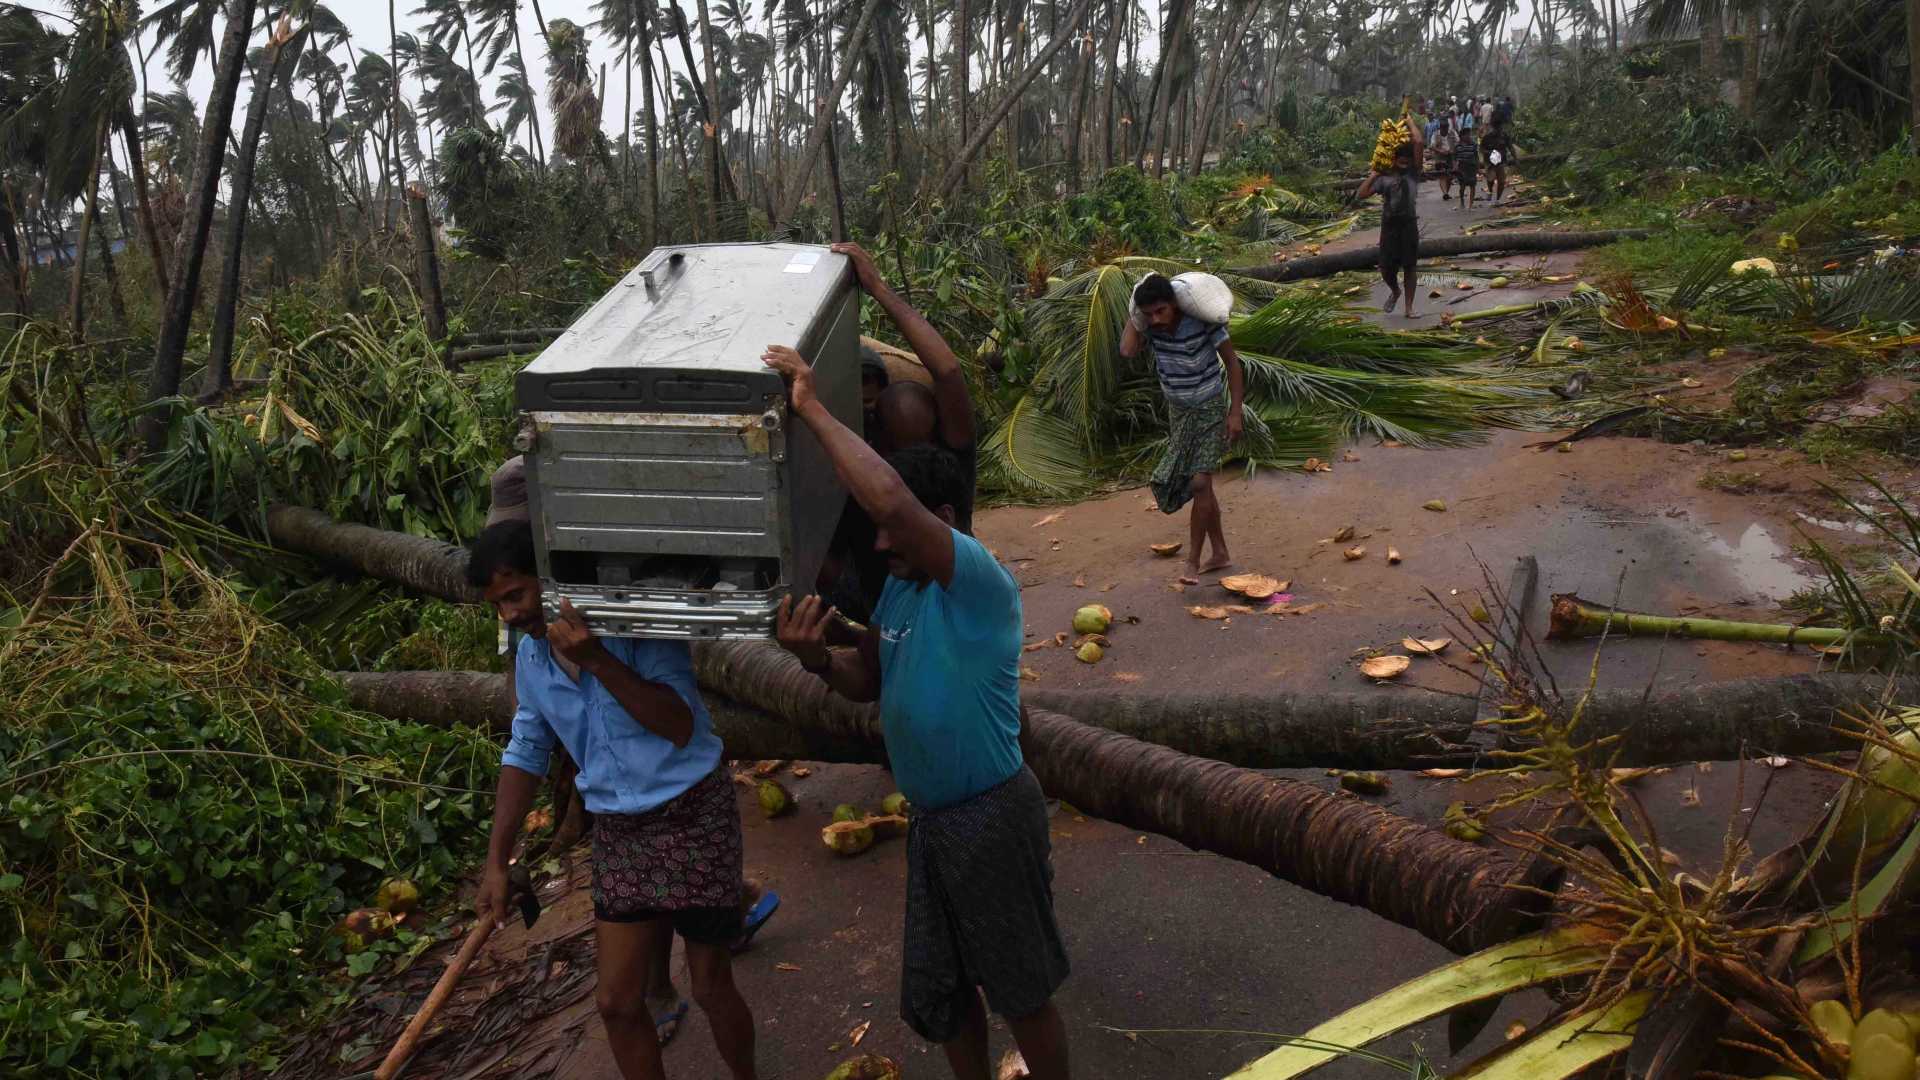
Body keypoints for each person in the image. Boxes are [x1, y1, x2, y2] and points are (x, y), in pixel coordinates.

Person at [760, 346, 1073, 1080]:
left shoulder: (978, 582)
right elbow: (868, 678)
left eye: (889, 529)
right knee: (943, 987)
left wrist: (810, 405)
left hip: (991, 814)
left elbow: (892, 503)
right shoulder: (899, 592)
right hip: (933, 821)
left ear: (939, 521)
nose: (878, 541)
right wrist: (814, 656)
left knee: (1020, 988)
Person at [484, 457, 779, 1050]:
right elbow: (526, 750)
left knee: (712, 982)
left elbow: (676, 725)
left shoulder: (635, 623)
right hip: (620, 828)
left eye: (517, 595)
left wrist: (597, 660)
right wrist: (497, 857)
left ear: (550, 577)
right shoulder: (532, 658)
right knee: (616, 1004)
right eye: (498, 604)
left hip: (693, 812)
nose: (510, 614)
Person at [818, 242, 979, 626]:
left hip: (936, 599)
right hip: (883, 607)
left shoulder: (942, 468)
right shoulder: (859, 464)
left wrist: (879, 288)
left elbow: (948, 373)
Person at [1121, 273, 1247, 584]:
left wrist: (1235, 413)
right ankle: (1219, 552)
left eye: (1161, 310)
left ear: (1175, 304)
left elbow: (1233, 364)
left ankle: (1192, 561)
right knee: (1203, 486)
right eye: (1150, 313)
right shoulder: (1151, 329)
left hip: (1209, 409)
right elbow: (1126, 351)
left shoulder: (1202, 322)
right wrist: (1136, 316)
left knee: (1200, 483)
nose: (1157, 318)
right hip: (1178, 413)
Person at [1358, 142, 1420, 319]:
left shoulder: (1414, 174)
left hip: (1408, 224)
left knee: (1410, 266)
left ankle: (1409, 308)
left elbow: (1419, 142)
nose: (1405, 163)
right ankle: (1395, 290)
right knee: (1385, 268)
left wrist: (1408, 119)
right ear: (1393, 160)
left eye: (1407, 160)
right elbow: (1361, 194)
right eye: (1401, 160)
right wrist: (1374, 174)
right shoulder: (1384, 179)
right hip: (1389, 226)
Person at [1481, 120, 1514, 205]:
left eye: (1500, 128)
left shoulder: (1505, 136)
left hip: (1501, 161)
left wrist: (1516, 159)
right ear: (1493, 128)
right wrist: (1489, 152)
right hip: (1490, 161)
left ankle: (1498, 199)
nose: (1499, 130)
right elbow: (1481, 148)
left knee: (1501, 181)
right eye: (1497, 128)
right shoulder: (1487, 137)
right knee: (1491, 179)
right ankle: (1490, 190)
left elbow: (1510, 147)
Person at [1453, 122, 1480, 211]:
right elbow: (1455, 157)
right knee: (1462, 186)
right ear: (1462, 136)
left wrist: (1478, 167)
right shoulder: (1457, 146)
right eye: (1467, 135)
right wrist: (1455, 166)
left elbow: (1476, 156)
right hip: (1462, 167)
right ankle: (1462, 202)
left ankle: (1470, 205)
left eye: (1469, 135)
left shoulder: (1473, 144)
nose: (1469, 136)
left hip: (1471, 166)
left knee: (1472, 185)